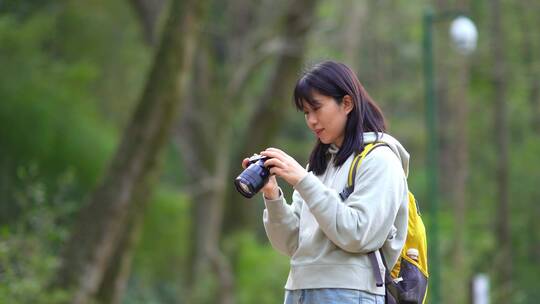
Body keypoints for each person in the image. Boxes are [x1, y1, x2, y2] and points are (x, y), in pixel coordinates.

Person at [242, 60, 409, 304]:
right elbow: (290, 243)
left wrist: (302, 180)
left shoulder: (380, 160)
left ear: (347, 103)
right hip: (299, 291)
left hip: (349, 293)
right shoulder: (319, 165)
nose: (311, 120)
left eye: (316, 108)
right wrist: (272, 194)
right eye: (306, 112)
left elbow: (359, 234)